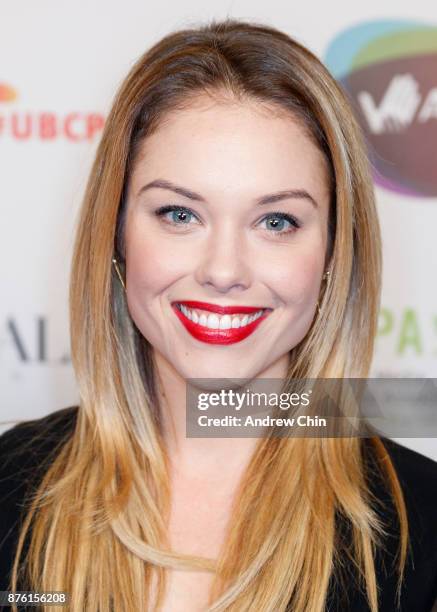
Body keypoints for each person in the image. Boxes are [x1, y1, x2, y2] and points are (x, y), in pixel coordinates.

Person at [1, 17, 436, 612]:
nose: (224, 269)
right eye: (180, 214)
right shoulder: (9, 490)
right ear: (118, 233)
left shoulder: (423, 529)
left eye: (276, 221)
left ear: (334, 251)